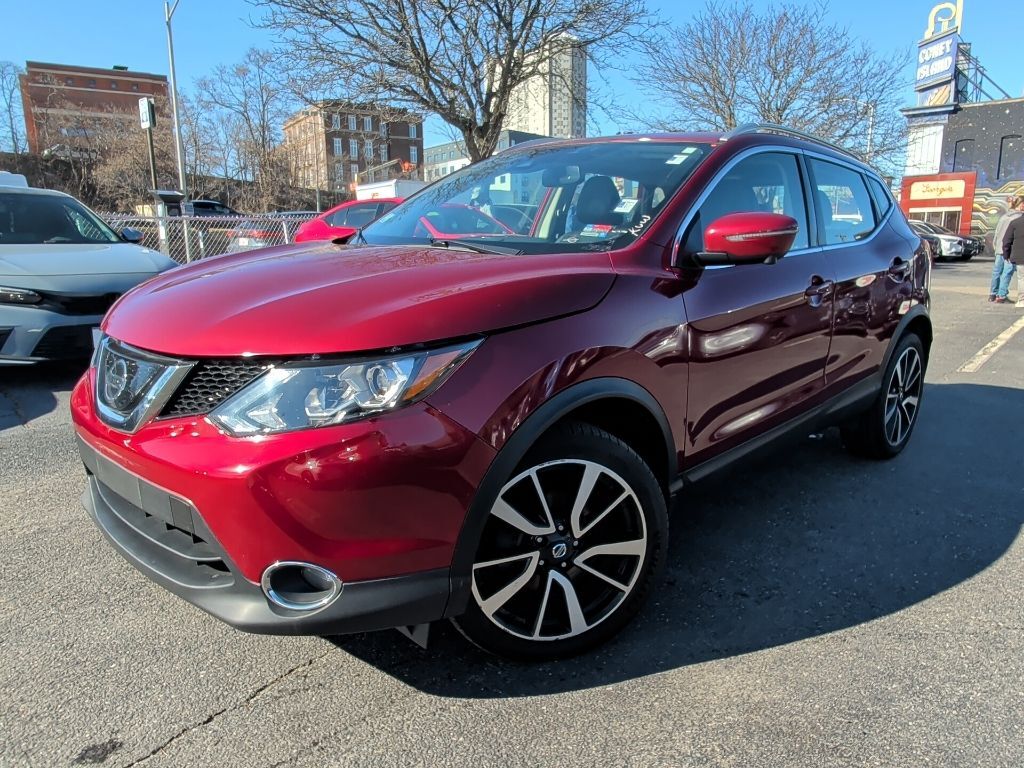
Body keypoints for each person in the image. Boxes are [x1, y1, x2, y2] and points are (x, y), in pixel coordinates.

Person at [990, 196, 1022, 303]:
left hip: (1000, 248)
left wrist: (996, 245)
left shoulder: (1004, 216)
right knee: (1007, 272)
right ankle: (1002, 295)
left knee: (997, 272)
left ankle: (992, 294)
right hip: (1010, 249)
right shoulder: (1019, 218)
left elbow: (997, 233)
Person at [999, 203, 1024, 305]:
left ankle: (1022, 300)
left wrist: (1006, 254)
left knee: (1022, 278)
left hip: (1020, 256)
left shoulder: (1015, 223)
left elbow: (1006, 240)